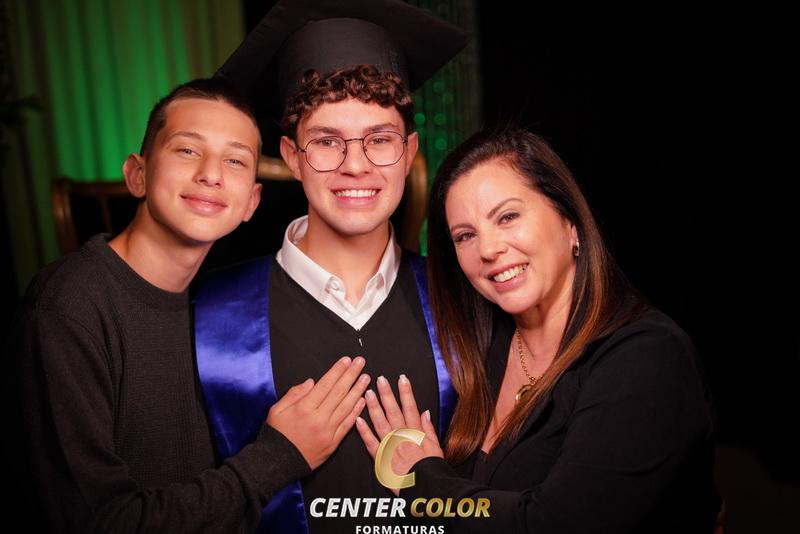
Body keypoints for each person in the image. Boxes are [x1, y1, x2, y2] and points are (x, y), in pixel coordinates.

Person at [4, 77, 371, 533]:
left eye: (235, 160)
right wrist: (278, 456)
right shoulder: (67, 309)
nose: (211, 174)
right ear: (137, 175)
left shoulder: (221, 304)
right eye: (187, 150)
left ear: (251, 202)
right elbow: (99, 522)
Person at [357, 126, 721, 533]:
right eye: (465, 235)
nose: (488, 249)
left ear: (570, 222)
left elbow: (554, 524)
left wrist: (424, 482)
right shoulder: (485, 346)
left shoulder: (647, 357)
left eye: (508, 217)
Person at [193, 1, 467, 532]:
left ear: (409, 150)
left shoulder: (461, 300)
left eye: (380, 140)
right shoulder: (208, 314)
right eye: (325, 142)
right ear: (292, 156)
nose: (355, 165)